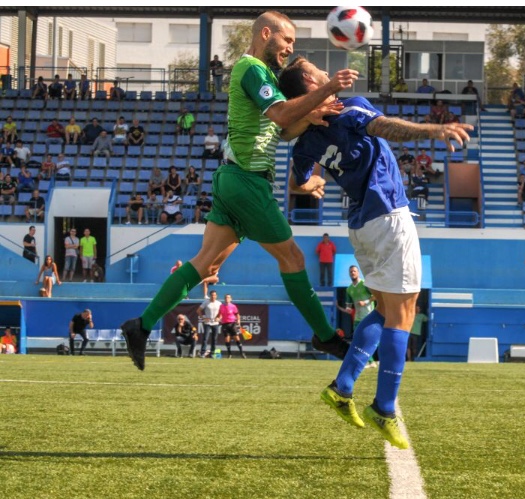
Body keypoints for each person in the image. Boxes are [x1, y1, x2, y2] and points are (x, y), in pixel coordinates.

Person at [119, 11, 358, 371]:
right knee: (292, 259)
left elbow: (278, 129)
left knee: (205, 264)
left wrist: (308, 117)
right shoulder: (251, 69)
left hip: (233, 178)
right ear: (266, 34)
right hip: (247, 182)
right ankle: (325, 335)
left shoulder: (263, 76)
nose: (290, 48)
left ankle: (141, 326)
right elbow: (279, 116)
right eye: (287, 40)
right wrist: (328, 87)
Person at [279, 55, 472, 449]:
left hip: (359, 223)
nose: (324, 71)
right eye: (316, 71)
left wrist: (316, 182)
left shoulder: (306, 139)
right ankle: (384, 408)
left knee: (385, 310)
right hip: (386, 214)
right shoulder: (349, 108)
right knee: (404, 311)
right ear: (311, 85)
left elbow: (298, 182)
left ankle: (343, 385)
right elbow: (384, 127)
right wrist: (435, 130)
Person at [219, 294, 246, 359]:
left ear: (231, 299)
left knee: (237, 338)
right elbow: (220, 314)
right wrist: (218, 318)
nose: (227, 299)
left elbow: (237, 314)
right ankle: (229, 354)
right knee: (227, 339)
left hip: (232, 324)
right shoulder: (221, 306)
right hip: (225, 324)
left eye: (228, 298)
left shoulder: (233, 306)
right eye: (226, 297)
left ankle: (242, 352)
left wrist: (238, 320)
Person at [197, 290, 221, 358]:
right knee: (205, 338)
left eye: (214, 295)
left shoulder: (219, 303)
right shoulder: (206, 302)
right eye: (212, 295)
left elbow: (221, 312)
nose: (213, 296)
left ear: (216, 296)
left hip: (215, 323)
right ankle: (202, 352)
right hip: (207, 323)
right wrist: (203, 318)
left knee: (214, 338)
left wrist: (219, 318)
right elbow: (198, 311)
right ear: (210, 296)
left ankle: (213, 353)